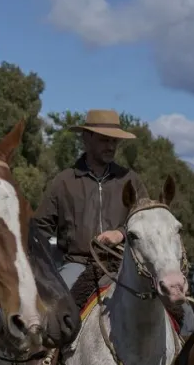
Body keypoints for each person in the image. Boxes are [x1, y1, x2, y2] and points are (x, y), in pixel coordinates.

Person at [34, 109, 147, 291]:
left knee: (181, 310)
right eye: (104, 140)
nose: (110, 146)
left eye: (114, 141)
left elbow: (146, 222)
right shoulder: (64, 181)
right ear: (86, 139)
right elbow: (39, 230)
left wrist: (121, 234)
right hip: (78, 264)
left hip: (125, 264)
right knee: (59, 306)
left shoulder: (130, 180)